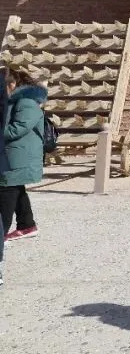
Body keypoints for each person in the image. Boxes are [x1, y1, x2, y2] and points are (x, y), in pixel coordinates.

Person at [0, 66, 47, 288]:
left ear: (11, 85)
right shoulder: (15, 100)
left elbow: (17, 129)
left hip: (17, 158)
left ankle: (3, 232)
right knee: (16, 189)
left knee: (6, 194)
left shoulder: (26, 102)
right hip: (14, 156)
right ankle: (27, 224)